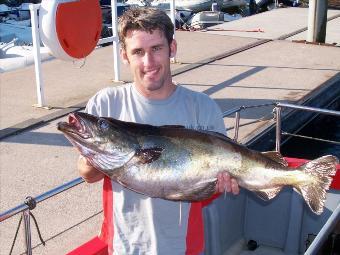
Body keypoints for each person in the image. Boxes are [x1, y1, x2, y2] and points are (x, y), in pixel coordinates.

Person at [77, 7, 239, 255]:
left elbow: (209, 189)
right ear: (124, 55)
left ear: (172, 48)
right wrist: (96, 153)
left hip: (183, 245)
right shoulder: (105, 105)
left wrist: (222, 183)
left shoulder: (202, 108)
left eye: (156, 49)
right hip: (125, 245)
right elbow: (88, 175)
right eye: (138, 52)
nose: (148, 62)